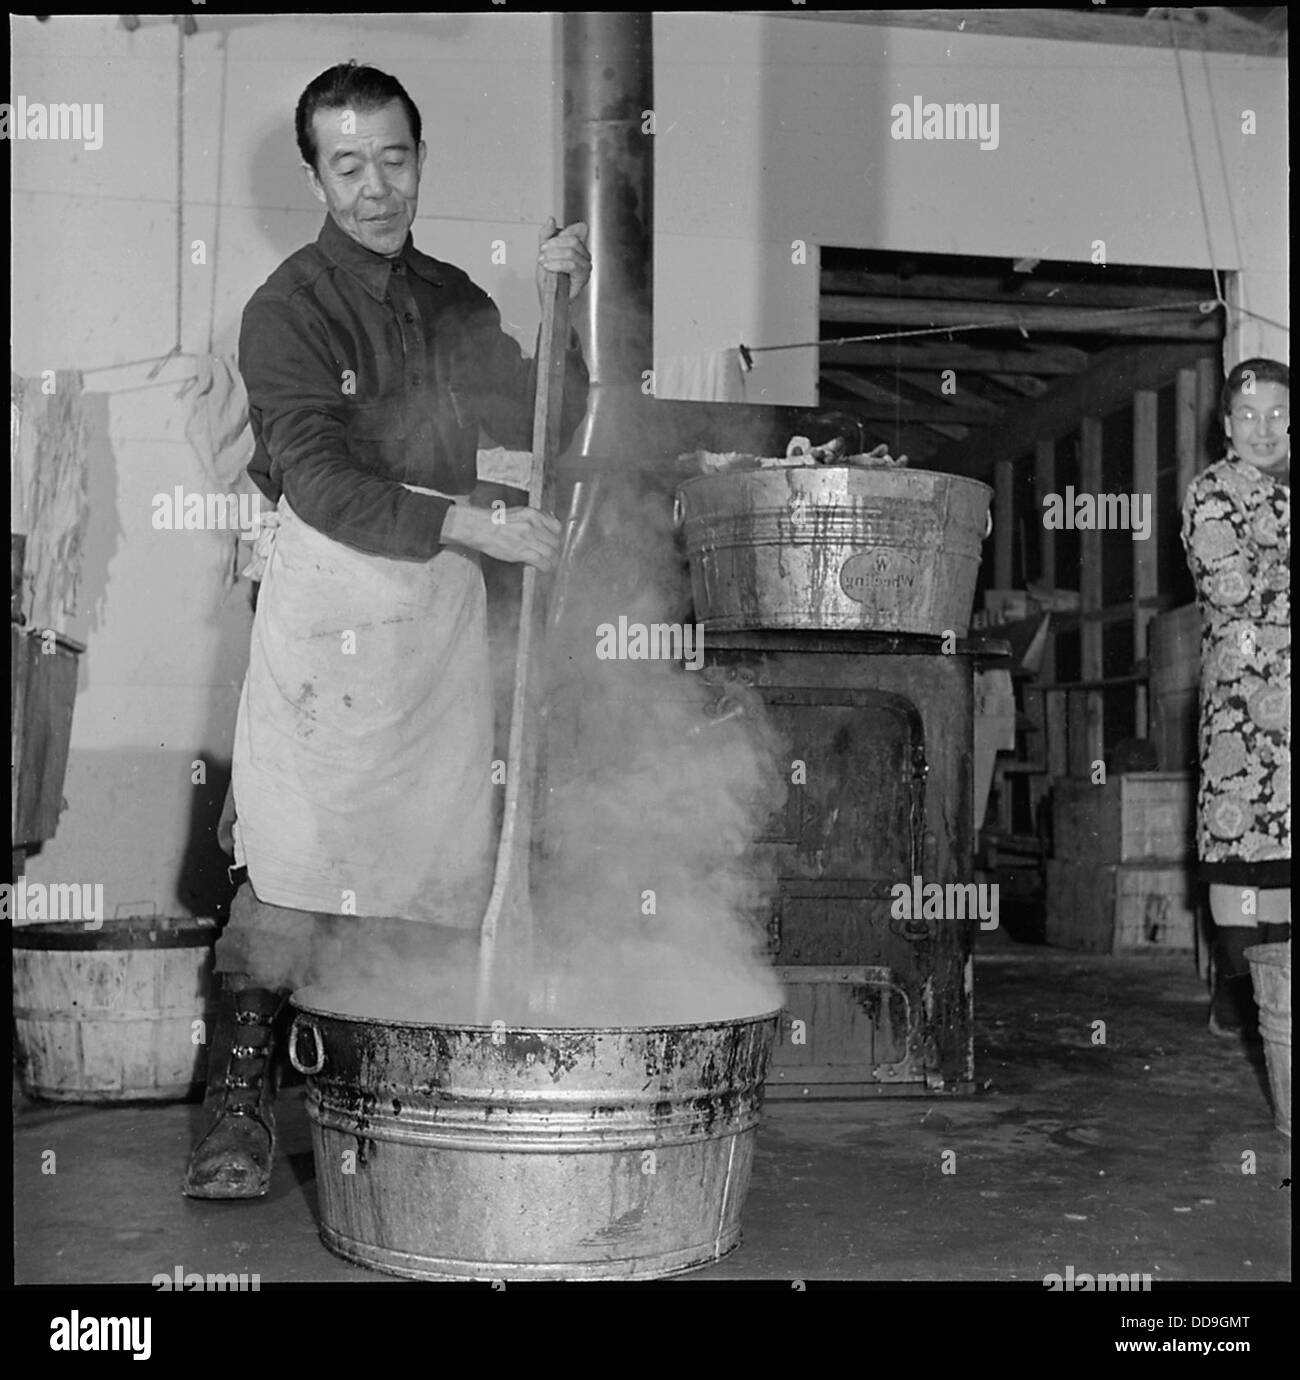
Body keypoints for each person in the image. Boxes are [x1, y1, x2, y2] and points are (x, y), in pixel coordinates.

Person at [184, 62, 591, 1198]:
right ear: (315, 172)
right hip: (329, 616)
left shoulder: (460, 300)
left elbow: (541, 420)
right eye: (348, 165)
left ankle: (405, 1094)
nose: (376, 188)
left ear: (421, 158)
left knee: (438, 862)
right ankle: (238, 1112)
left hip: (441, 620)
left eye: (395, 159)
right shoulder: (286, 309)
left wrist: (570, 310)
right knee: (292, 862)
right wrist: (468, 520)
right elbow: (315, 476)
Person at [1181, 357, 1290, 1038]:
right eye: (1248, 416)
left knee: (1283, 853)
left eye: (1278, 414)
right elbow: (1232, 590)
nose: (1264, 428)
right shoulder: (1212, 492)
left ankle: (1277, 996)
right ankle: (1237, 996)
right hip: (1244, 707)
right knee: (1238, 844)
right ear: (1226, 426)